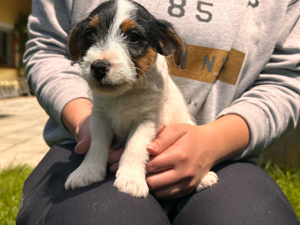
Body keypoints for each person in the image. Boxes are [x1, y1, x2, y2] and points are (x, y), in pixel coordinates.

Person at [17, 0, 300, 224]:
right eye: (92, 35)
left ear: (166, 45)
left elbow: (286, 79)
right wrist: (84, 126)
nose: (101, 58)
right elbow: (47, 51)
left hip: (219, 157)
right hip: (78, 150)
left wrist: (214, 143)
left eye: (134, 37)